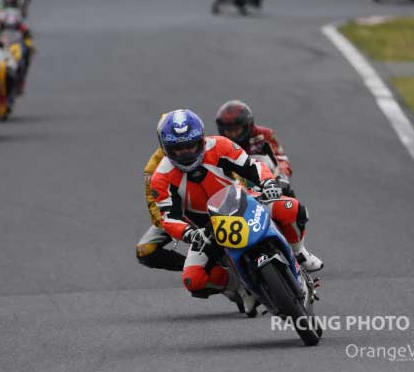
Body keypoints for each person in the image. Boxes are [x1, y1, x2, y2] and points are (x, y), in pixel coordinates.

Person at [150, 110, 323, 313]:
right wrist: (190, 234)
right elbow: (168, 218)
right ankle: (240, 288)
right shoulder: (160, 177)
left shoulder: (220, 145)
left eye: (191, 145)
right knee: (193, 279)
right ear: (166, 147)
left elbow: (252, 165)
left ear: (201, 140)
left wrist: (267, 182)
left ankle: (299, 252)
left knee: (291, 208)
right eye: (178, 149)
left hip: (244, 203)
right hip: (206, 230)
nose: (187, 153)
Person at [136, 115, 187, 272]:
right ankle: (199, 267)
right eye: (175, 145)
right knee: (145, 250)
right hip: (178, 213)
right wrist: (174, 226)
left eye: (188, 142)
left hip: (210, 203)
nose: (184, 151)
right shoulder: (152, 169)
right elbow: (153, 204)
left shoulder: (212, 147)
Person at [216, 100, 294, 197]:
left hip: (269, 185)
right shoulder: (220, 143)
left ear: (246, 125)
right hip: (236, 189)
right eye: (229, 131)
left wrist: (282, 178)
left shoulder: (264, 134)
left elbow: (281, 158)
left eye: (236, 130)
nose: (233, 134)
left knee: (288, 194)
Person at [0, 8, 35, 94]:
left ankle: (20, 83)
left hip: (16, 49)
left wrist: (29, 47)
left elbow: (29, 40)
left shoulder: (23, 28)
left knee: (23, 63)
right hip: (2, 48)